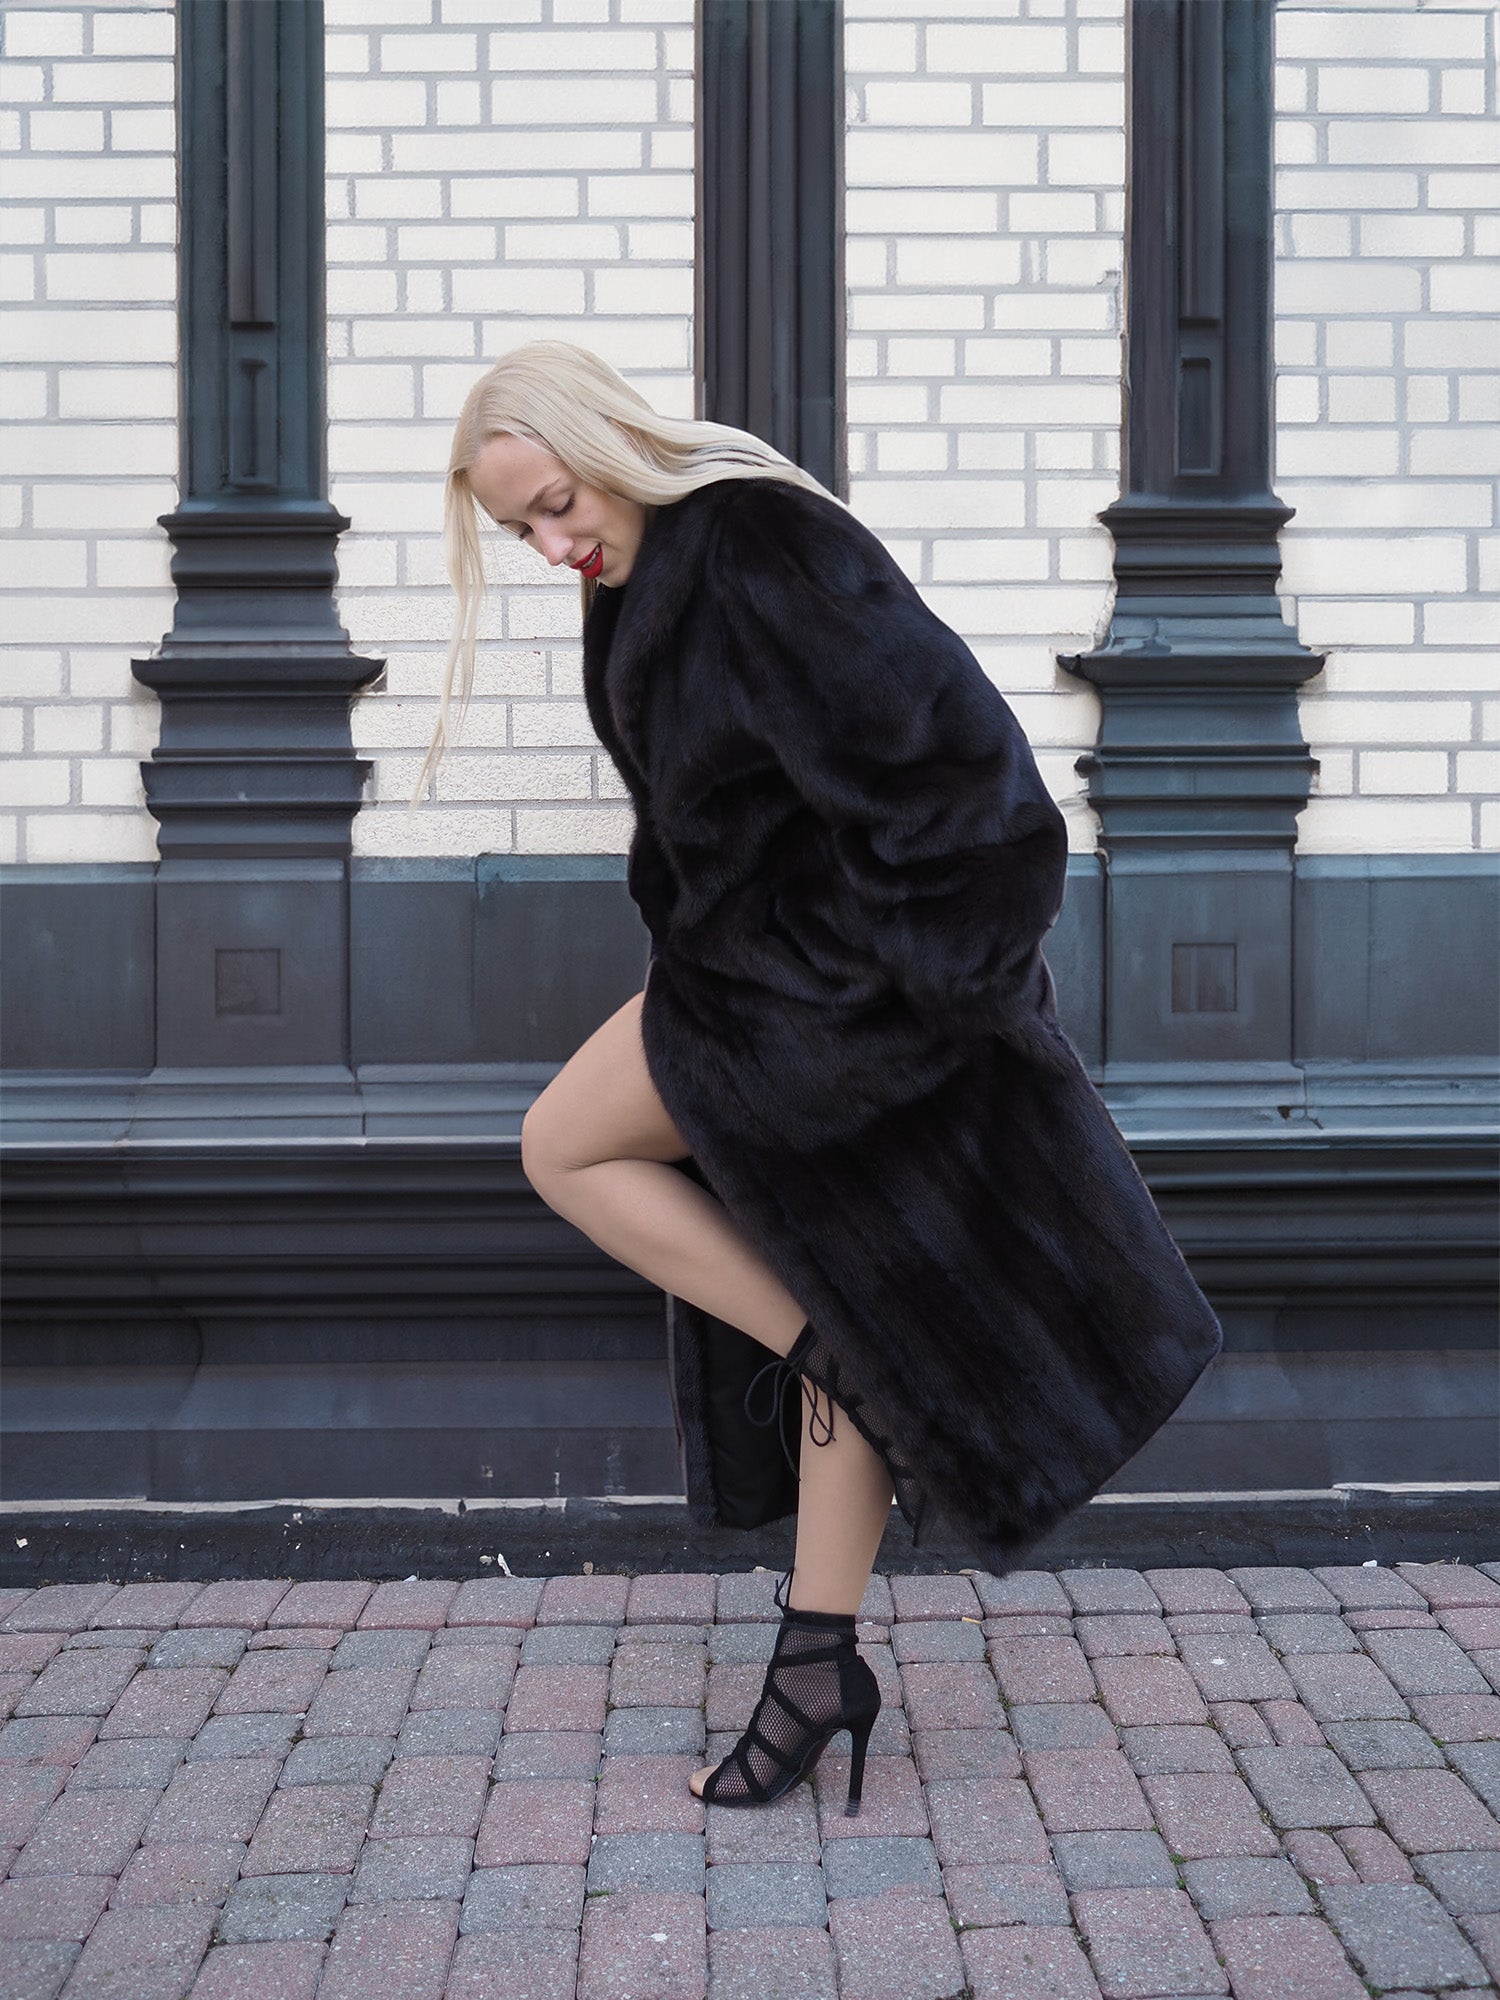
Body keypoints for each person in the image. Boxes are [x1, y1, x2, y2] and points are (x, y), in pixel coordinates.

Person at [410, 340, 1223, 1814]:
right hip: (766, 990)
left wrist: (903, 1003)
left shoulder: (757, 544)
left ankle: (841, 1363)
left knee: (565, 1145)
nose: (549, 546)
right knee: (841, 1299)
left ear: (607, 442)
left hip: (819, 1009)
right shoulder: (647, 574)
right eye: (520, 528)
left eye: (555, 504)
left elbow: (976, 787)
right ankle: (816, 1666)